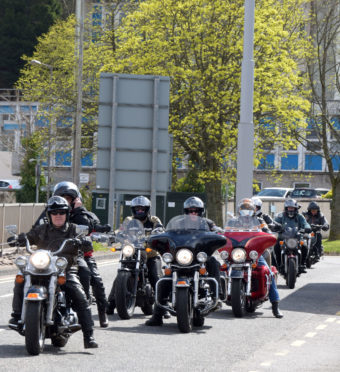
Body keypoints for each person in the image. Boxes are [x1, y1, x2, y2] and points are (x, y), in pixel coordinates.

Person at [8, 196, 98, 348]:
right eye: (54, 212)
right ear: (49, 215)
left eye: (61, 212)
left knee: (79, 294)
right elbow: (29, 237)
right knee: (20, 278)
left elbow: (87, 245)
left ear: (66, 214)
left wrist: (84, 242)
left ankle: (89, 336)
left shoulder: (74, 229)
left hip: (65, 268)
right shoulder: (41, 229)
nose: (58, 215)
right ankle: (17, 315)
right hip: (41, 267)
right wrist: (19, 238)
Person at [145, 196, 223, 326]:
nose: (193, 213)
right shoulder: (178, 223)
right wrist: (160, 232)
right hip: (180, 257)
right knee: (165, 281)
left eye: (196, 211)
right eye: (190, 211)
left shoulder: (207, 223)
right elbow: (168, 233)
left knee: (214, 262)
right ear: (186, 211)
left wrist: (218, 231)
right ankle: (157, 316)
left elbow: (216, 231)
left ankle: (217, 295)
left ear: (200, 211)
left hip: (198, 257)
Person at [53, 181, 110, 328]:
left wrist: (78, 210)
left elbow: (87, 226)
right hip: (55, 255)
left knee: (94, 279)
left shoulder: (84, 213)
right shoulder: (51, 212)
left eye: (69, 198)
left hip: (80, 255)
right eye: (62, 197)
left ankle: (100, 313)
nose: (65, 201)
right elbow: (37, 227)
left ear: (75, 199)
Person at [107, 196, 165, 316]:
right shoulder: (129, 220)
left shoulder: (154, 220)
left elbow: (160, 229)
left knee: (155, 276)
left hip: (150, 254)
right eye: (137, 209)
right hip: (133, 252)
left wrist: (159, 232)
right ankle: (111, 302)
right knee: (120, 274)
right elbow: (121, 230)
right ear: (133, 210)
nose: (140, 211)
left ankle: (163, 305)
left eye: (142, 209)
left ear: (147, 209)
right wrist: (114, 234)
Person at [227, 198, 283, 318]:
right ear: (239, 211)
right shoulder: (233, 222)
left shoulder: (259, 221)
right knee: (222, 269)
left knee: (269, 272)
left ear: (253, 210)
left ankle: (275, 305)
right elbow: (225, 233)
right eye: (243, 210)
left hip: (254, 253)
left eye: (249, 210)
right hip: (237, 253)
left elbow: (267, 232)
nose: (246, 213)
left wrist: (269, 234)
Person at [273, 198, 311, 273]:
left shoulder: (300, 216)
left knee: (304, 246)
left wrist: (307, 228)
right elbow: (275, 222)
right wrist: (275, 226)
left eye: (292, 208)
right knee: (276, 247)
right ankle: (278, 265)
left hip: (297, 237)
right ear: (286, 208)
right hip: (283, 237)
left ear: (296, 208)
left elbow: (305, 223)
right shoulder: (281, 216)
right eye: (289, 208)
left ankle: (302, 264)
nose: (291, 209)